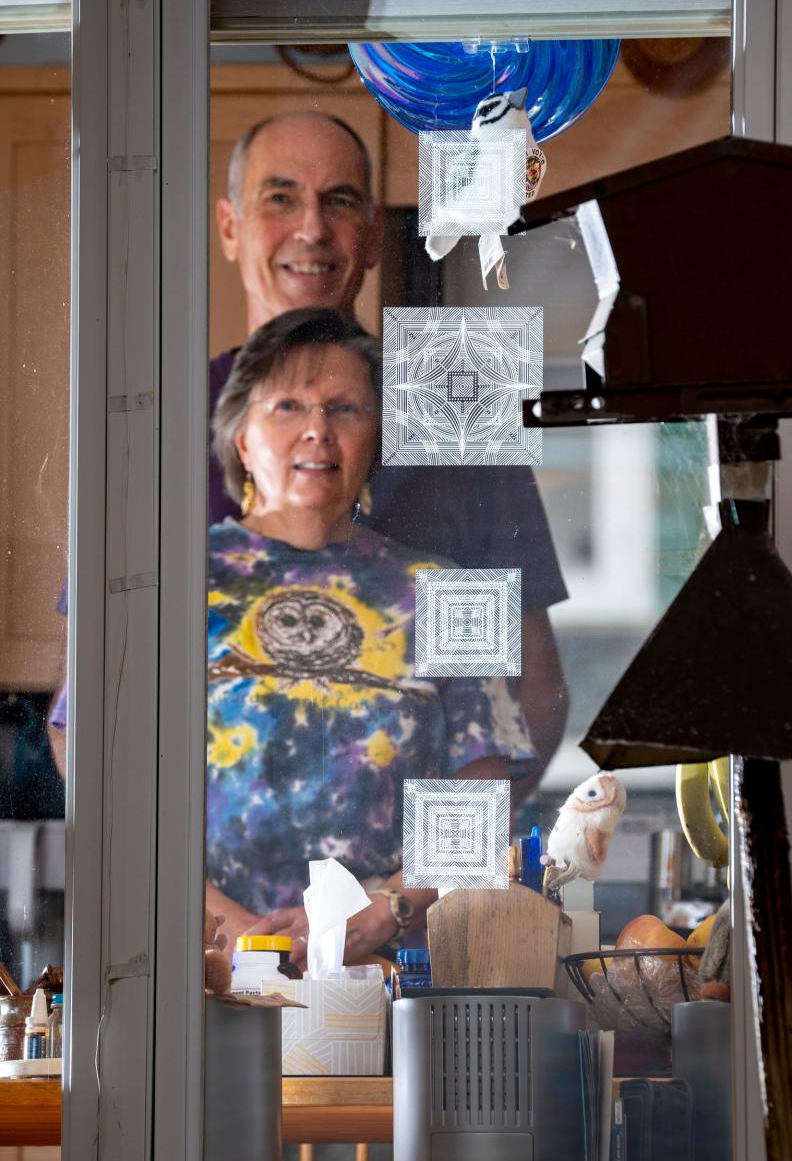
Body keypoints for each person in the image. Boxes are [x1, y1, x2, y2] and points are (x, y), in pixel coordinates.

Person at [49, 110, 569, 779]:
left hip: (413, 876)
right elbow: (92, 705)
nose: (312, 228)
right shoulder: (150, 428)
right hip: (201, 877)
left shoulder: (455, 403)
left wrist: (425, 878)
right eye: (280, 197)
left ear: (376, 234)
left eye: (340, 201)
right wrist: (196, 880)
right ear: (230, 227)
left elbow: (533, 691)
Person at [206, 307, 536, 963]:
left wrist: (389, 908)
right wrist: (230, 925)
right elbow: (111, 784)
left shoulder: (449, 590)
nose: (318, 432)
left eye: (345, 410)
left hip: (392, 971)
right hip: (203, 975)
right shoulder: (172, 585)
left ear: (378, 435)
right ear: (242, 436)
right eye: (288, 408)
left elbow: (480, 793)